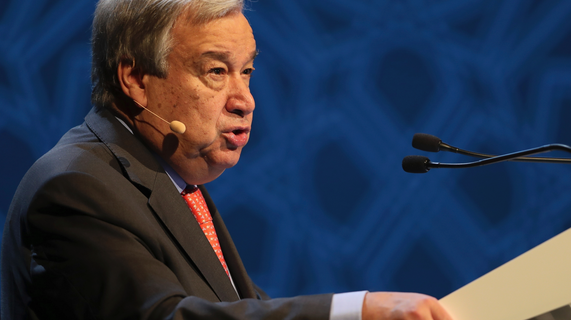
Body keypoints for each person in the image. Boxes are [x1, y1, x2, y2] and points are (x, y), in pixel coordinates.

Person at [1, 0, 453, 319]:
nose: (245, 100)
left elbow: (240, 310)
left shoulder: (174, 183)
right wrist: (358, 312)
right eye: (216, 71)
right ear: (136, 79)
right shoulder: (75, 187)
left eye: (247, 71)